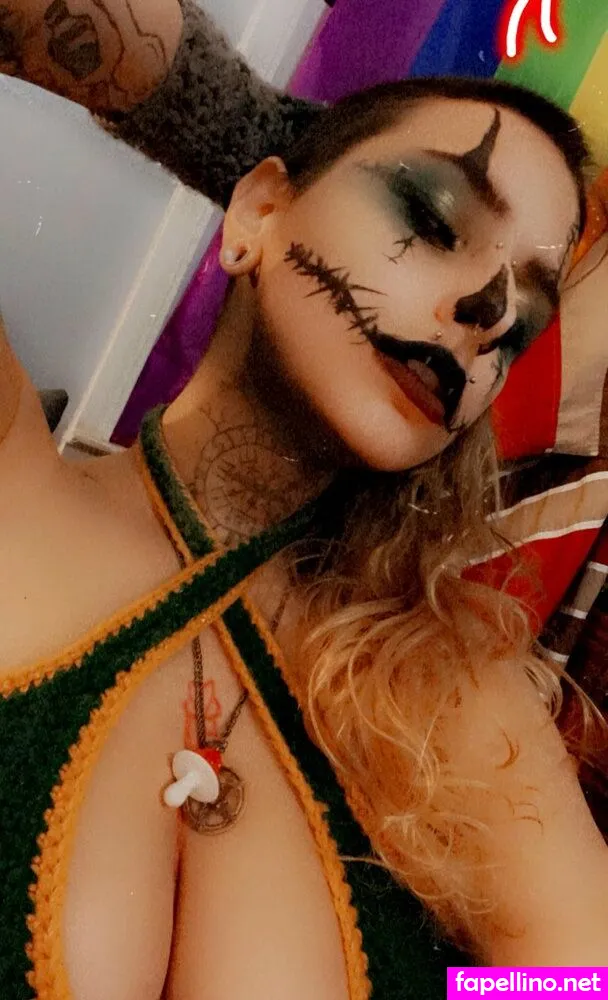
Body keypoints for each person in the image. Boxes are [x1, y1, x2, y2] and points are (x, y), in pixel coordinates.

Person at [1, 6, 607, 1000]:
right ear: (256, 209)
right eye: (431, 217)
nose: (486, 315)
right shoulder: (13, 480)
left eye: (522, 320)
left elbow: (580, 982)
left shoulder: (445, 694)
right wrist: (244, 138)